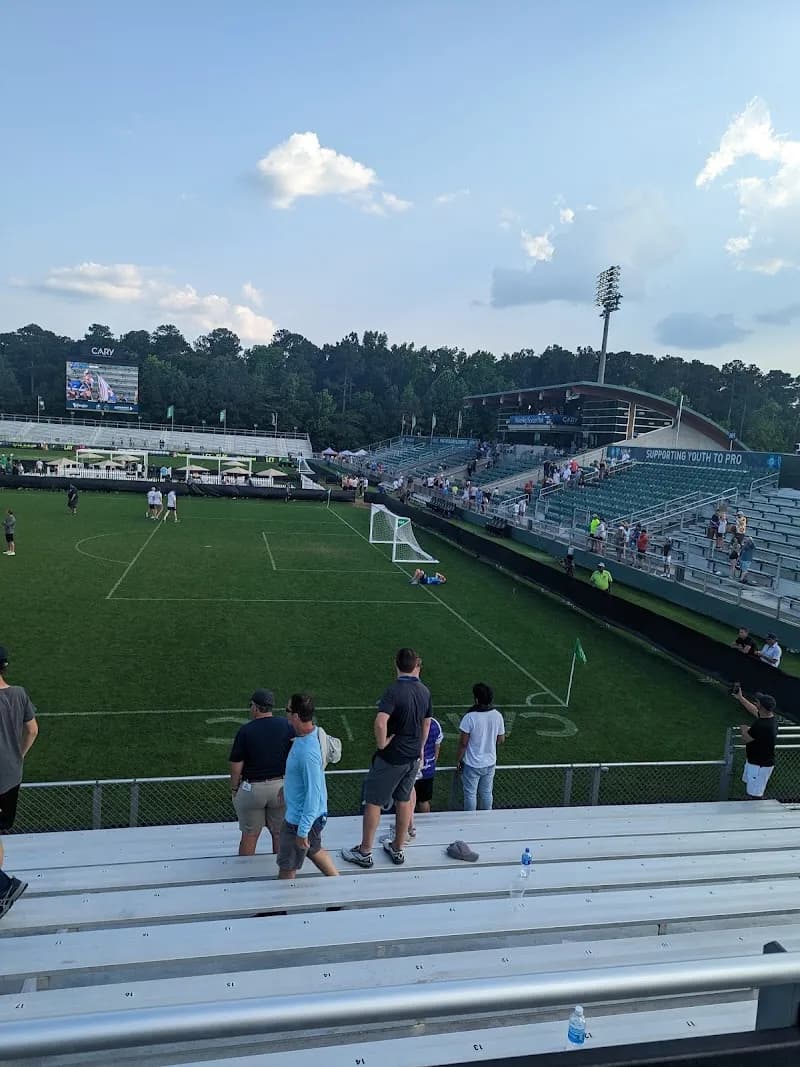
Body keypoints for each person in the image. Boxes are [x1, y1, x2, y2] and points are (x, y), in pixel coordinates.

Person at [342, 648, 431, 868]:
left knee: (373, 801)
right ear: (415, 665)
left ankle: (364, 851)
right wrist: (420, 746)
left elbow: (381, 721)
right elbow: (427, 722)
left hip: (393, 756)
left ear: (396, 664)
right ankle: (398, 847)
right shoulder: (424, 690)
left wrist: (382, 743)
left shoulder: (394, 690)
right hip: (413, 756)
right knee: (403, 801)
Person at [277, 693, 338, 880]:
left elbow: (313, 793)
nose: (285, 714)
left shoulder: (307, 753)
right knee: (314, 850)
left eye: (287, 710)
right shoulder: (309, 736)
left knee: (287, 866)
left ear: (296, 716)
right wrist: (286, 788)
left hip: (299, 820)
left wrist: (303, 830)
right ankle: (341, 890)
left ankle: (278, 908)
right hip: (308, 816)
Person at [229, 689, 294, 856]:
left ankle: (245, 876)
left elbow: (236, 766)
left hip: (253, 790)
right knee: (280, 833)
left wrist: (234, 789)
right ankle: (282, 871)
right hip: (281, 787)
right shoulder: (286, 726)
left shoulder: (246, 731)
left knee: (250, 835)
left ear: (256, 708)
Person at [0, 644, 39, 919]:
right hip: (11, 777)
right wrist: (19, 756)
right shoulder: (19, 694)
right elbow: (32, 730)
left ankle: (5, 887)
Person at [456, 683, 505, 811]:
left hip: (472, 763)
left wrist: (458, 759)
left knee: (470, 794)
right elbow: (501, 739)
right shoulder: (497, 715)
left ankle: (470, 819)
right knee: (486, 793)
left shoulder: (470, 717)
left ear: (477, 699)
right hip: (489, 762)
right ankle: (486, 817)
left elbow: (463, 743)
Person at [732, 685, 778, 799]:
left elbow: (745, 739)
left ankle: (753, 813)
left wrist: (744, 729)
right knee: (752, 790)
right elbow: (754, 710)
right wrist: (740, 698)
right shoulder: (770, 718)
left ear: (761, 707)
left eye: (757, 702)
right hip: (756, 762)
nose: (755, 703)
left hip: (759, 766)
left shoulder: (762, 725)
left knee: (755, 795)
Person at [409, 715, 444, 834]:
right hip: (428, 769)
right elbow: (437, 747)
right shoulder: (435, 724)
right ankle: (425, 826)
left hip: (411, 768)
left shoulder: (411, 722)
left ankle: (409, 825)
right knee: (423, 800)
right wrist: (432, 764)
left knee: (407, 799)